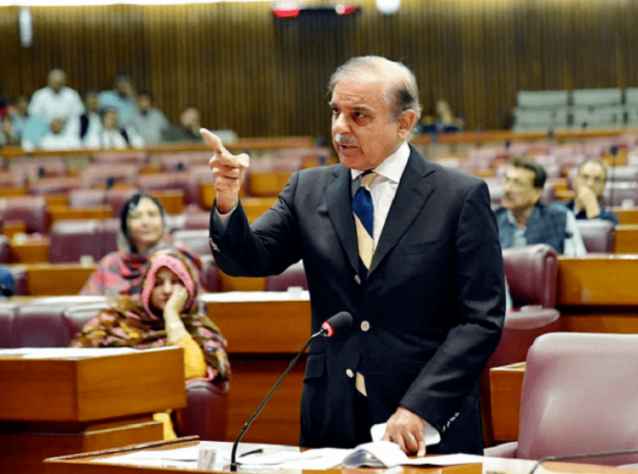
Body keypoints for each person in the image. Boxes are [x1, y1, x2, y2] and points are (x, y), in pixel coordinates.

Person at [205, 56, 505, 455]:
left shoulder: (458, 197)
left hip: (423, 423)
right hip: (331, 415)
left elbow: (480, 320)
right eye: (335, 112)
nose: (340, 128)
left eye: (358, 115)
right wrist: (228, 201)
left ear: (405, 123)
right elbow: (248, 259)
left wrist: (419, 407)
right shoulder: (308, 190)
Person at [71, 250, 230, 439]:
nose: (168, 290)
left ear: (189, 286)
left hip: (153, 414)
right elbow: (78, 357)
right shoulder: (118, 317)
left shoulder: (199, 327)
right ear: (147, 286)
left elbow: (194, 371)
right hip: (109, 404)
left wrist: (171, 315)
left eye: (176, 282)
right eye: (159, 282)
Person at [80, 193, 200, 297]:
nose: (145, 222)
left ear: (163, 222)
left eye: (152, 215)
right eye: (137, 216)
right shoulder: (110, 264)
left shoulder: (178, 259)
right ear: (125, 227)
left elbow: (194, 305)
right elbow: (87, 305)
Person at [496, 159, 587, 256]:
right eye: (507, 181)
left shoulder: (561, 219)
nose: (507, 189)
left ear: (536, 193)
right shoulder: (491, 220)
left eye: (517, 183)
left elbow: (576, 263)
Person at [564, 160, 619, 224]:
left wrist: (592, 209)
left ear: (603, 186)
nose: (590, 184)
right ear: (575, 181)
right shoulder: (559, 212)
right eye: (585, 177)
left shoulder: (610, 220)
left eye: (597, 179)